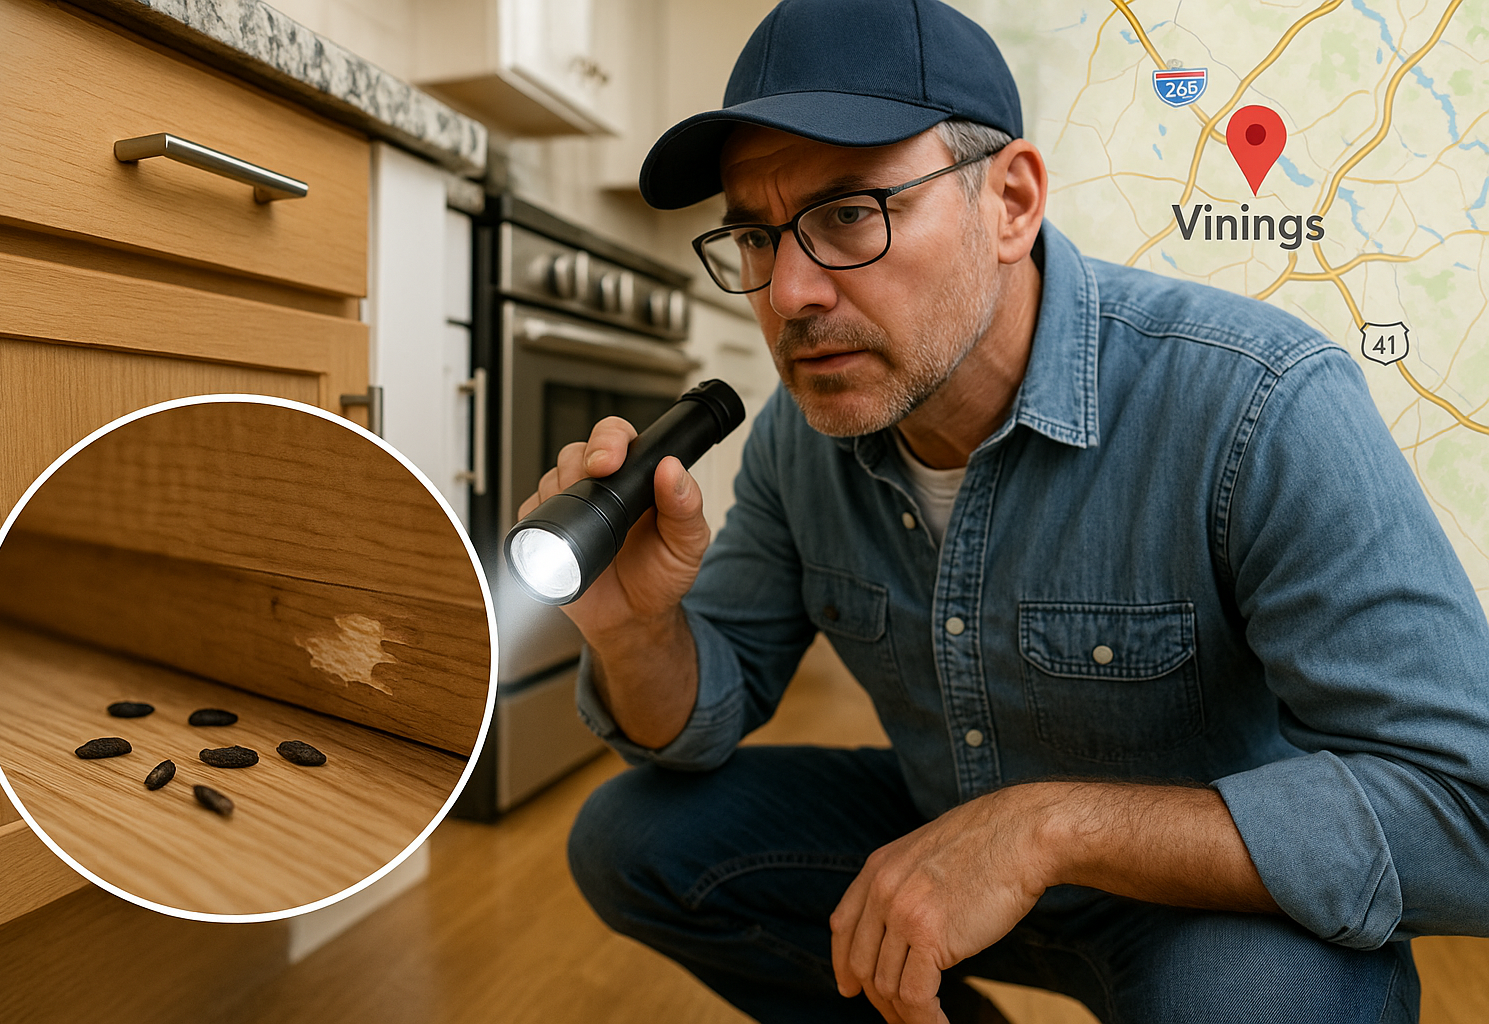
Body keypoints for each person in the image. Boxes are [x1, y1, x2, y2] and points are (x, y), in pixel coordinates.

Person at [515, 1, 1489, 1021]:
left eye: (848, 214)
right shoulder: (799, 445)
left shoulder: (1259, 402)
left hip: (1207, 897)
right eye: (757, 237)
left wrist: (1044, 830)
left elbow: (1465, 810)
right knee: (634, 837)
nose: (789, 292)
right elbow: (701, 722)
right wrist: (634, 631)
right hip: (942, 836)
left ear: (1011, 202)